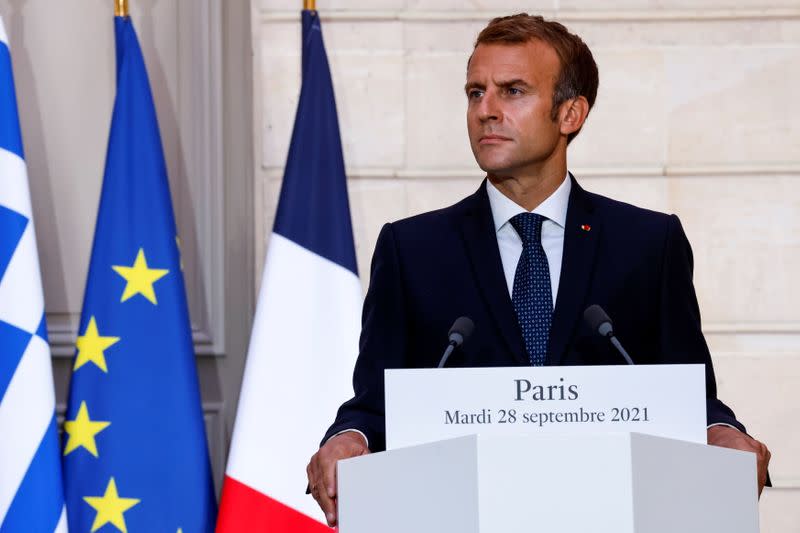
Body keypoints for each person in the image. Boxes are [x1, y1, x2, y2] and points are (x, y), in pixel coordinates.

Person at [306, 13, 771, 527]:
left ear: (570, 113)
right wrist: (347, 439)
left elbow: (688, 398)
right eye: (475, 92)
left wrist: (724, 432)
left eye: (513, 91)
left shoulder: (647, 244)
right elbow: (375, 403)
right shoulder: (412, 248)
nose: (487, 111)